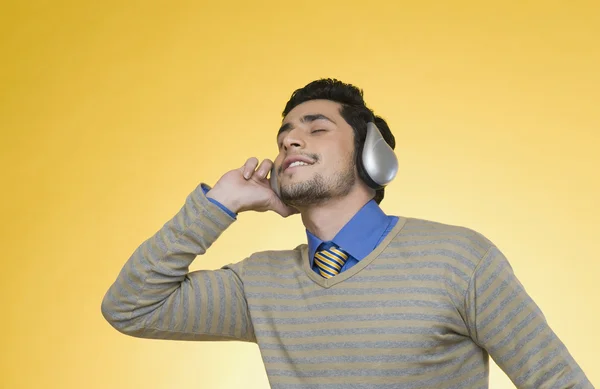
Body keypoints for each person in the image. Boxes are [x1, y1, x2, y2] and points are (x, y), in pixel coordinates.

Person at [101, 78, 592, 388]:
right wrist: (220, 204)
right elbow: (131, 307)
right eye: (285, 135)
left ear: (371, 156)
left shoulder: (460, 259)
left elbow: (555, 381)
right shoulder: (260, 284)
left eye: (316, 128)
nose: (290, 139)